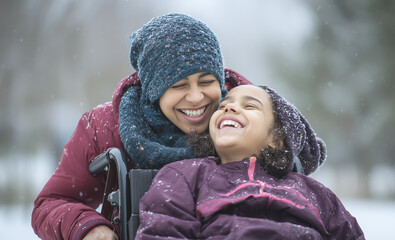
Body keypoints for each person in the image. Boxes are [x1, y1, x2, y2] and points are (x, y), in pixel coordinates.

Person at [31, 13, 251, 240]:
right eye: (178, 85)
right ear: (154, 89)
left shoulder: (251, 117)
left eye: (207, 82)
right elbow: (51, 203)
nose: (196, 97)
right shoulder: (106, 128)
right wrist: (88, 227)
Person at [135, 85, 365, 239]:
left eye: (250, 106)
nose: (229, 107)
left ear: (276, 138)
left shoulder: (315, 193)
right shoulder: (185, 175)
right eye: (224, 105)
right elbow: (163, 232)